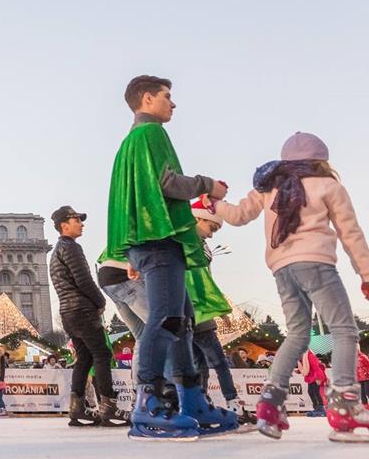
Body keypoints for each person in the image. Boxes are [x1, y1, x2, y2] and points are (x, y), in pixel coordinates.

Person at [214, 132, 369, 442]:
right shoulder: (328, 185)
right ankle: (345, 404)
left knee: (297, 334)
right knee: (344, 331)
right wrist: (365, 273)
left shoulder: (268, 186)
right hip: (316, 263)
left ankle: (270, 403)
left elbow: (238, 216)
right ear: (321, 160)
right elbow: (350, 233)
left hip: (282, 268)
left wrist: (214, 203)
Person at [100, 75, 230, 440]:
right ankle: (149, 402)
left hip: (146, 240)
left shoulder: (130, 142)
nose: (173, 104)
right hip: (159, 239)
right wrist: (207, 184)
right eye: (167, 96)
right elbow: (168, 183)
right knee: (167, 319)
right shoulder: (152, 133)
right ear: (147, 99)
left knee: (182, 320)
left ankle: (192, 400)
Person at [49, 206, 123, 427]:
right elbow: (83, 280)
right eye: (77, 220)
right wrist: (100, 301)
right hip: (82, 310)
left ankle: (77, 407)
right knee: (101, 354)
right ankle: (108, 405)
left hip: (68, 312)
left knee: (84, 358)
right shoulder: (71, 247)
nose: (81, 224)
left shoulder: (56, 252)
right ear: (64, 225)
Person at [187, 199, 248, 428]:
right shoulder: (190, 244)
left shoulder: (198, 244)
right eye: (211, 227)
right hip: (198, 310)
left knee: (200, 364)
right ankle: (233, 402)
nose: (211, 235)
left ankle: (200, 404)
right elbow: (202, 282)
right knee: (219, 362)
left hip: (193, 310)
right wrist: (219, 308)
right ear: (197, 218)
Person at [299, 351, 329, 417]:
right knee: (311, 391)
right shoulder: (304, 355)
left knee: (315, 391)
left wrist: (298, 362)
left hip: (316, 375)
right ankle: (317, 408)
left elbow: (306, 371)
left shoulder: (306, 354)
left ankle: (321, 409)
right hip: (311, 375)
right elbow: (306, 369)